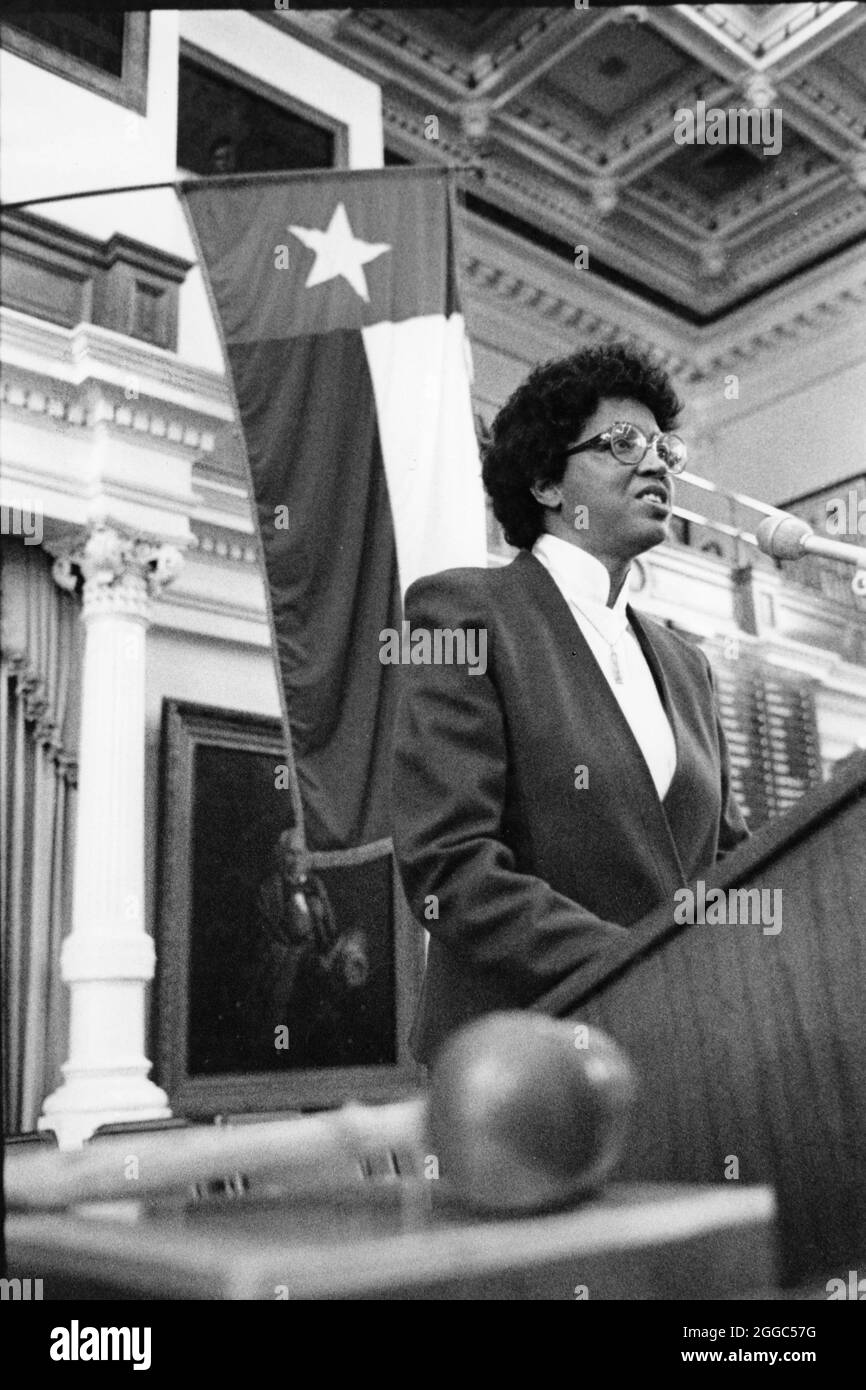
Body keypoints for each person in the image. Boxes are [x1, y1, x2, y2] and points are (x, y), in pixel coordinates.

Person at [391, 342, 749, 1065]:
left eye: (663, 449)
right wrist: (646, 963)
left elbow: (733, 863)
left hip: (684, 1056)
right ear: (548, 482)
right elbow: (451, 865)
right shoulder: (461, 615)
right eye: (623, 443)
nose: (656, 465)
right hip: (519, 1071)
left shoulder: (689, 667)